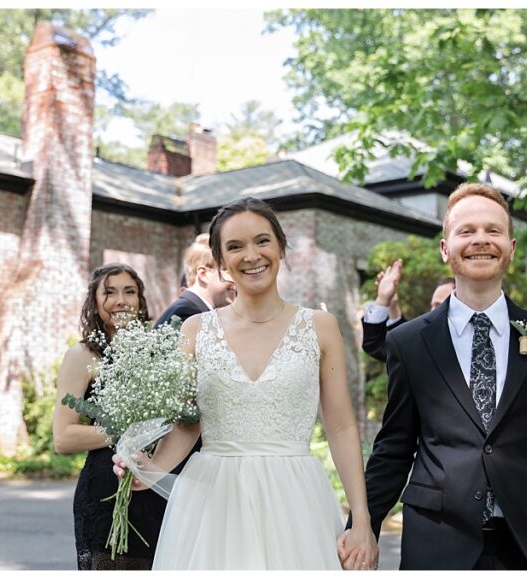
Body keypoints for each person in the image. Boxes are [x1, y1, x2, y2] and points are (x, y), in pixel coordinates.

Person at [363, 184, 527, 570]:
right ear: (445, 249)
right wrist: (362, 526)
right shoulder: (408, 342)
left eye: (493, 230)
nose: (481, 240)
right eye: (466, 231)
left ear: (512, 249)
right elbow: (394, 449)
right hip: (436, 542)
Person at [120, 198, 377, 570]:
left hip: (296, 499)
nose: (251, 255)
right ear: (221, 263)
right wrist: (150, 469)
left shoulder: (320, 328)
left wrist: (362, 520)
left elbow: (340, 427)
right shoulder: (195, 331)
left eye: (262, 241)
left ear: (281, 248)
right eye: (235, 247)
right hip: (213, 501)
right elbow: (188, 424)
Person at [54, 264, 171, 569]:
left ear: (140, 300)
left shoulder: (158, 352)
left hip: (154, 488)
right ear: (94, 301)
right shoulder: (81, 356)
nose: (121, 300)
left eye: (129, 291)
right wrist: (126, 430)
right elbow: (63, 438)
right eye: (110, 292)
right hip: (106, 493)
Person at [360, 260, 449, 364]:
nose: (433, 312)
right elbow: (376, 345)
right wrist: (385, 301)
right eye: (432, 306)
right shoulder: (428, 348)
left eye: (439, 305)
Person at [157, 233, 233, 328]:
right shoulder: (186, 314)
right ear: (203, 274)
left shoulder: (190, 310)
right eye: (229, 271)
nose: (237, 280)